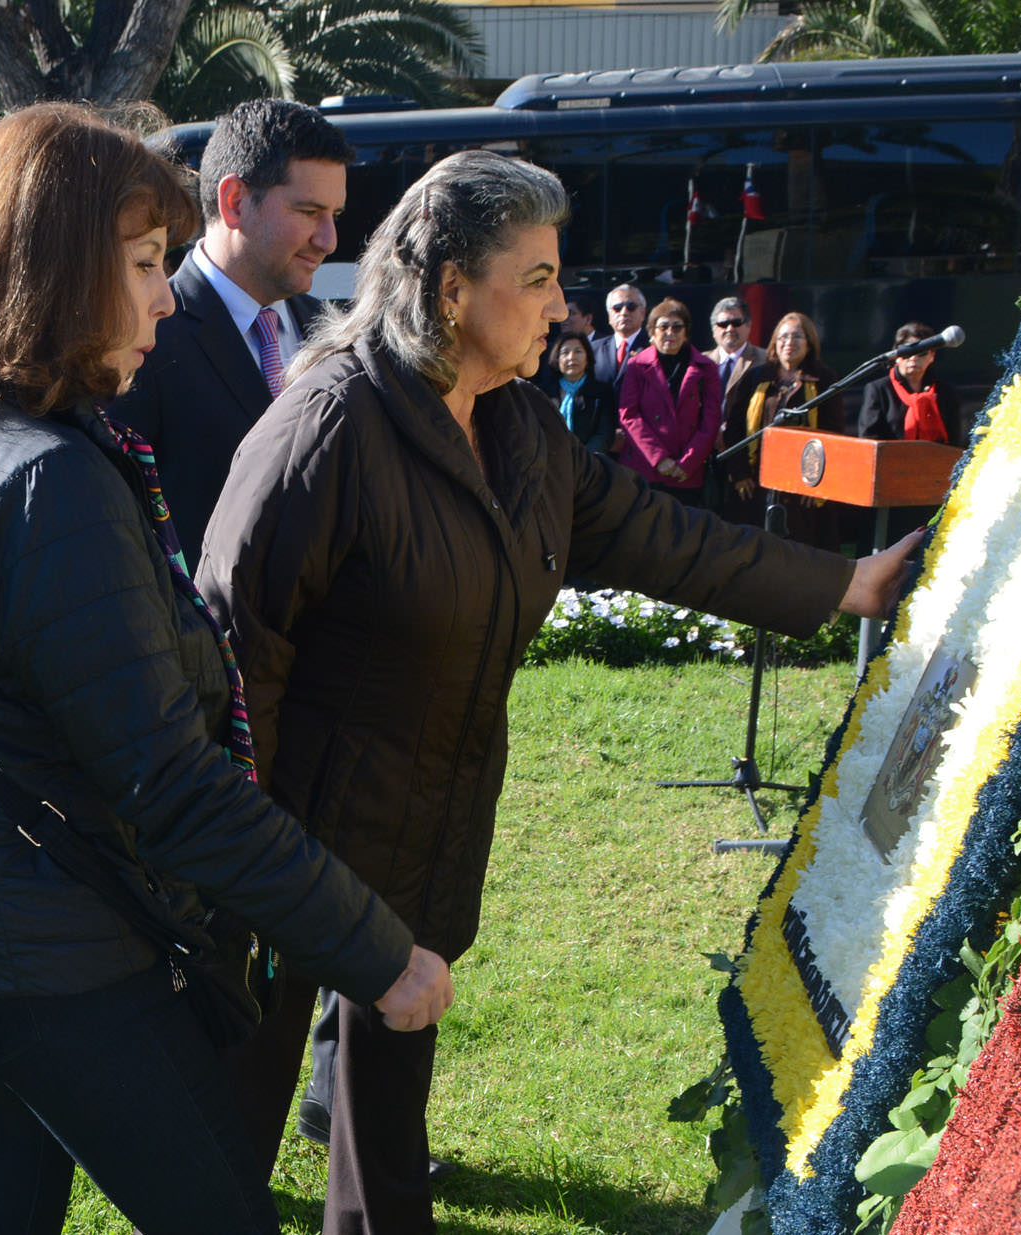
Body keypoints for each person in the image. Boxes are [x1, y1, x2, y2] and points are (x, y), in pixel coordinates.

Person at [197, 149, 921, 1235]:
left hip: (422, 831)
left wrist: (841, 582)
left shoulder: (521, 429)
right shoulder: (328, 429)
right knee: (227, 1141)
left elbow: (661, 536)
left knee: (386, 1138)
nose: (561, 302)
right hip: (286, 849)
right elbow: (230, 652)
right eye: (533, 277)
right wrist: (239, 863)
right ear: (450, 290)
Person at [0, 102, 452, 1235]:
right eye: (140, 263)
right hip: (59, 954)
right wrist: (377, 952)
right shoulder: (45, 482)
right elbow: (170, 786)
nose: (163, 297)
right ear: (46, 269)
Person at [110, 97, 348, 567]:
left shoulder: (336, 332)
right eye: (308, 212)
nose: (328, 239)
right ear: (235, 201)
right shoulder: (143, 342)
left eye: (334, 215)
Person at [720, 310, 846, 547]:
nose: (789, 343)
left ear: (809, 342)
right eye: (783, 337)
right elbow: (735, 428)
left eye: (797, 337)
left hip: (805, 487)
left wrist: (820, 485)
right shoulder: (755, 377)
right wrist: (739, 475)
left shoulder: (824, 379)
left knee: (801, 553)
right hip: (756, 485)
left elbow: (833, 434)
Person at [855, 320, 965, 548]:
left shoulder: (945, 393)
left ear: (932, 356)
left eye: (921, 353)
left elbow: (955, 442)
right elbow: (869, 439)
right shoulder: (878, 390)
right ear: (896, 356)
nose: (913, 359)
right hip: (890, 491)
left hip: (930, 488)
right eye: (907, 353)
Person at [616, 297, 722, 506]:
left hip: (687, 475)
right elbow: (629, 415)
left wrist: (688, 463)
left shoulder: (707, 368)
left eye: (677, 327)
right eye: (663, 326)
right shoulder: (636, 366)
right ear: (652, 332)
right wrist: (659, 458)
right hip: (646, 470)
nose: (670, 333)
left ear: (686, 332)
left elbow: (711, 419)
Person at [535, 333, 618, 455]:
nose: (571, 357)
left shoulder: (601, 392)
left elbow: (604, 433)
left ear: (587, 357)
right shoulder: (544, 393)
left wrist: (582, 460)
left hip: (589, 463)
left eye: (578, 351)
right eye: (565, 352)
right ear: (557, 358)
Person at [590, 283, 649, 388]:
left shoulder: (653, 347)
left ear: (643, 313)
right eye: (617, 308)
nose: (624, 312)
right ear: (609, 316)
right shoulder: (593, 349)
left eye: (631, 307)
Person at [707, 295, 766, 396]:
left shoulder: (765, 360)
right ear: (713, 329)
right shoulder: (700, 362)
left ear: (749, 326)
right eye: (723, 324)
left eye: (736, 322)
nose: (730, 329)